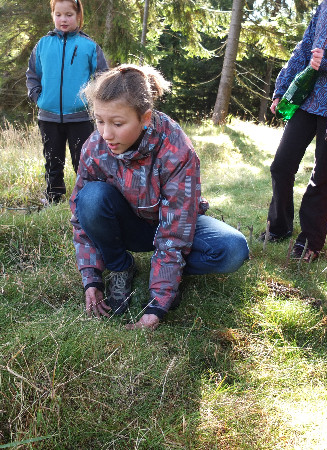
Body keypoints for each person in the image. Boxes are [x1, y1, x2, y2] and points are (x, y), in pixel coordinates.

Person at [70, 64, 250, 330]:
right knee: (91, 198)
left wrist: (159, 303)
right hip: (128, 227)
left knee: (233, 250)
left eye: (117, 124)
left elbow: (176, 231)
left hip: (170, 224)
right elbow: (80, 218)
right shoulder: (95, 146)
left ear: (145, 118)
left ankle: (167, 272)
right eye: (99, 121)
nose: (106, 134)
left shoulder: (176, 149)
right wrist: (91, 278)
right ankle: (120, 266)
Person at [260, 0, 327, 262]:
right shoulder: (326, 5)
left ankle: (310, 241)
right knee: (281, 166)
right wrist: (282, 88)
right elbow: (305, 46)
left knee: (322, 176)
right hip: (307, 100)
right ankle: (280, 227)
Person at [26, 0, 108, 204]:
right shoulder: (43, 44)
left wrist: (94, 103)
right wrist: (38, 97)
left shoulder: (89, 46)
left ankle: (85, 200)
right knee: (52, 160)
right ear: (53, 15)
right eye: (58, 14)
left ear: (78, 16)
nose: (63, 19)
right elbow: (33, 74)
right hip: (48, 116)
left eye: (69, 15)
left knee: (83, 161)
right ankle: (53, 197)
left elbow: (103, 78)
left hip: (80, 118)